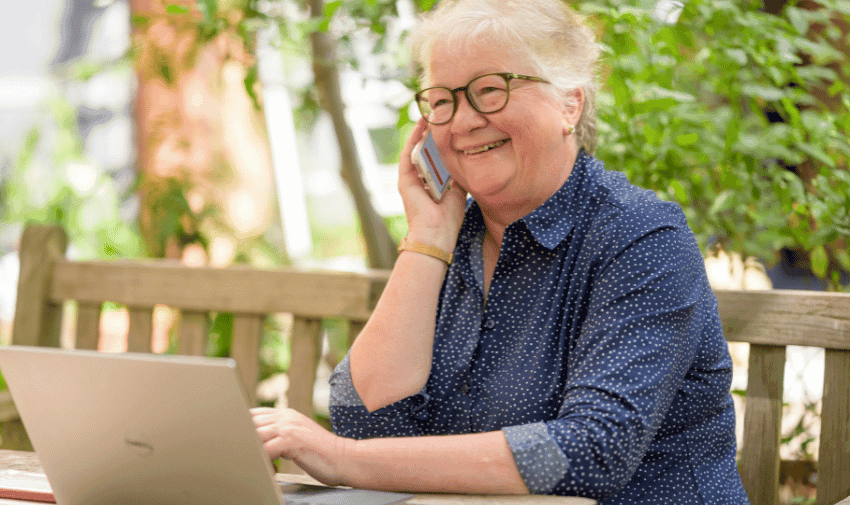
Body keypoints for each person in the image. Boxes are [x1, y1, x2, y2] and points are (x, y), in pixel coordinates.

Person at [252, 0, 749, 502]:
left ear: (568, 104)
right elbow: (367, 421)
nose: (463, 121)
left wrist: (340, 460)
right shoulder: (453, 244)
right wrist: (428, 237)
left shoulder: (641, 238)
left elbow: (592, 449)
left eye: (489, 90)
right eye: (442, 101)